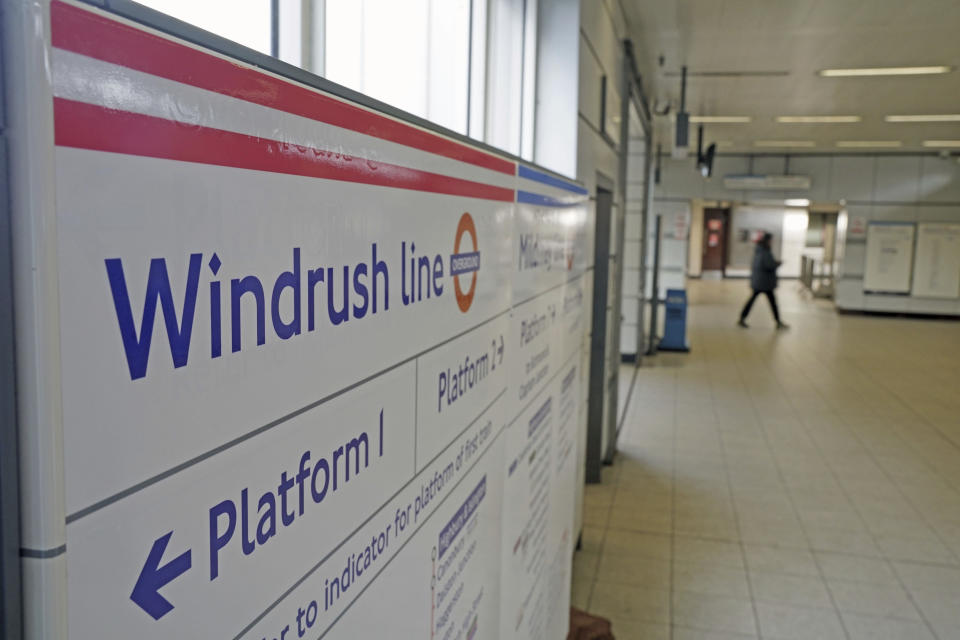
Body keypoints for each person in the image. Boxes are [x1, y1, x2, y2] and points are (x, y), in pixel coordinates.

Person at [738, 232, 788, 329]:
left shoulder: (759, 250)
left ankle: (742, 318)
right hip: (764, 283)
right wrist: (777, 264)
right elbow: (769, 265)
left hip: (760, 281)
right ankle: (778, 322)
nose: (772, 242)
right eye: (771, 240)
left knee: (755, 301)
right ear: (767, 241)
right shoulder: (765, 252)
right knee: (772, 303)